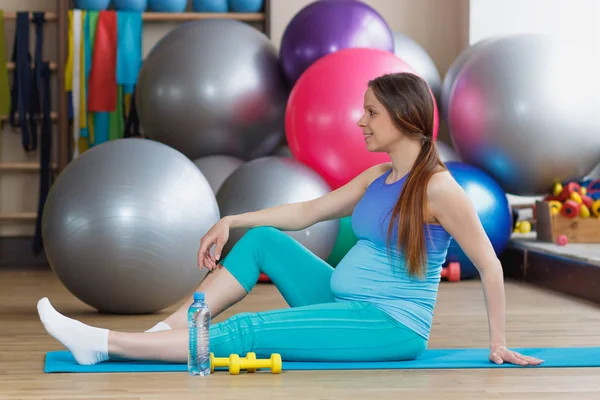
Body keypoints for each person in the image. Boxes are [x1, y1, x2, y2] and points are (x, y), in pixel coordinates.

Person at [37, 72, 543, 367]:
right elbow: (306, 211)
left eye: (370, 113)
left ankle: (105, 345)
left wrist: (497, 342)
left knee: (253, 327)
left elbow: (490, 264)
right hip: (345, 302)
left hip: (386, 325)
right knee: (263, 241)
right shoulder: (377, 178)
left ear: (403, 119)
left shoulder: (438, 188)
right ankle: (160, 336)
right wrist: (231, 219)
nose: (360, 121)